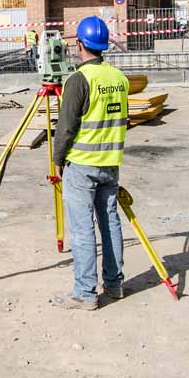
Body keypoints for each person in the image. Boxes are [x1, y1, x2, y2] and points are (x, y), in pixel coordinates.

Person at [51, 16, 129, 311]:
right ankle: (114, 284)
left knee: (83, 230)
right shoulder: (119, 78)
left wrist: (58, 159)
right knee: (110, 223)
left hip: (82, 164)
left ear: (79, 44)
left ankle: (85, 293)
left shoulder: (78, 80)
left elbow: (66, 127)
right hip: (111, 162)